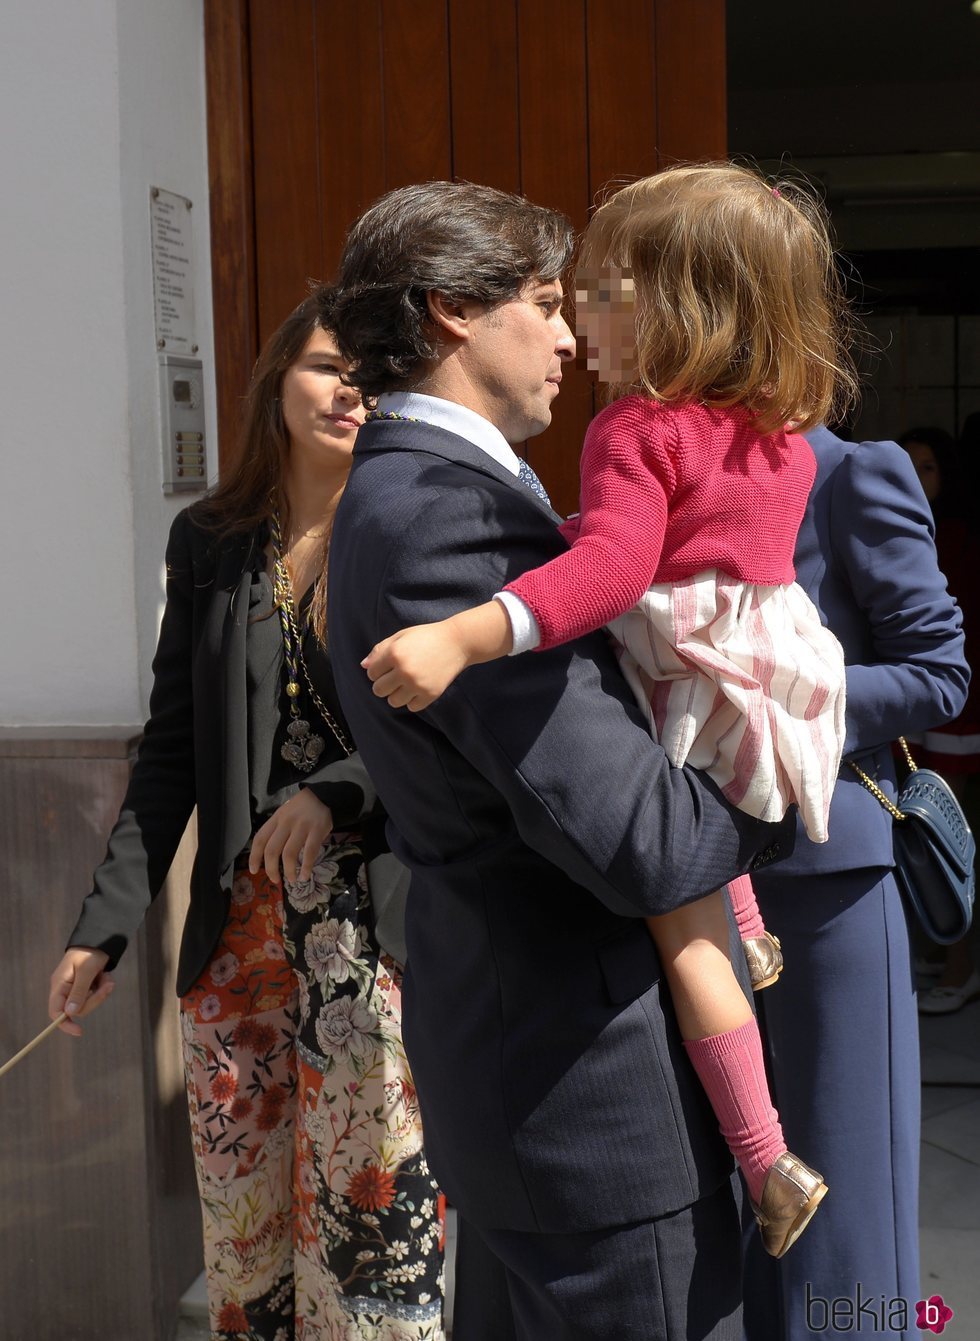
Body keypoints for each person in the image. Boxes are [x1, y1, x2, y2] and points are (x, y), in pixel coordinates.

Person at [326, 179, 797, 1341]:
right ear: (450, 312)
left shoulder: (427, 492)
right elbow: (645, 844)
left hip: (526, 1069)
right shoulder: (445, 513)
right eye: (543, 301)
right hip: (580, 1093)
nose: (569, 337)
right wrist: (787, 777)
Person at [47, 293, 446, 1341]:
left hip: (374, 940)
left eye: (370, 373)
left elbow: (451, 720)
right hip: (240, 946)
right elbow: (170, 752)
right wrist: (104, 927)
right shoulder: (212, 542)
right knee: (247, 1249)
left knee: (373, 1249)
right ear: (277, 382)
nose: (348, 389)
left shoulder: (410, 531)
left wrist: (335, 790)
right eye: (324, 366)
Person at [740, 426, 969, 1339]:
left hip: (828, 886)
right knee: (744, 1212)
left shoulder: (850, 472)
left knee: (841, 1211)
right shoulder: (662, 473)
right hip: (694, 888)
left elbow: (938, 673)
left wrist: (777, 692)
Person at [897, 425, 980, 1013]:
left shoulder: (958, 538)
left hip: (959, 712)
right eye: (907, 467)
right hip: (914, 714)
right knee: (921, 826)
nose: (915, 479)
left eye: (926, 468)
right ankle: (940, 945)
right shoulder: (896, 530)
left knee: (957, 835)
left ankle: (961, 963)